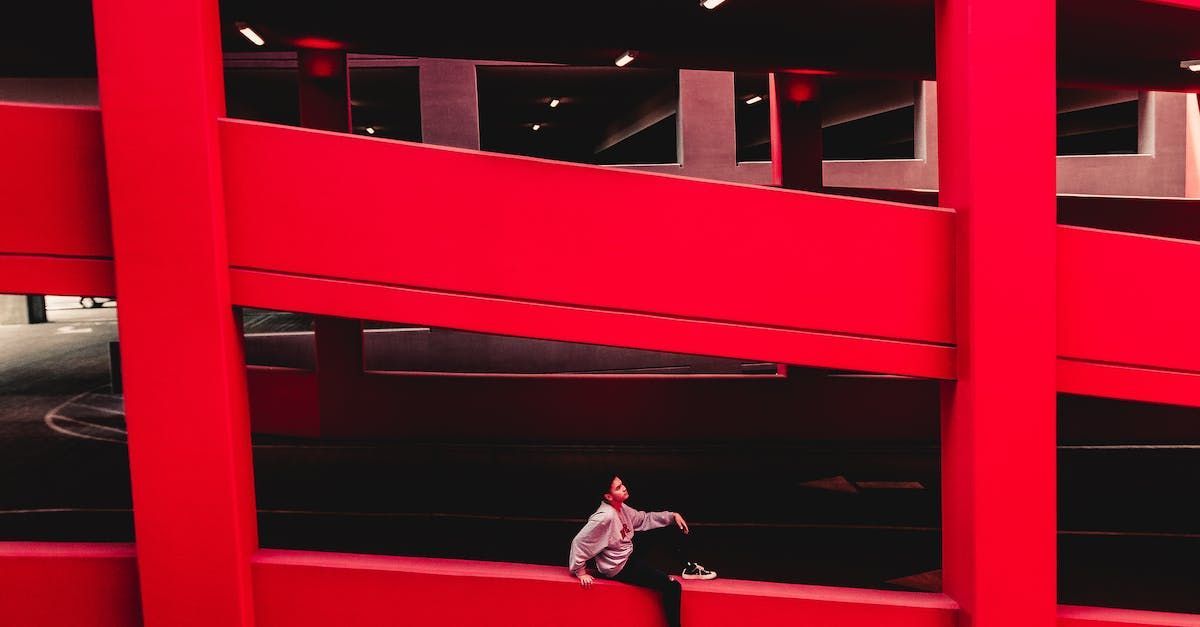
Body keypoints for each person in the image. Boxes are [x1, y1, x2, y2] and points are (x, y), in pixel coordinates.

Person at [568, 474, 717, 627]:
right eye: (618, 488)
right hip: (620, 567)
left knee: (666, 528)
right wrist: (580, 571)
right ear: (608, 496)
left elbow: (643, 519)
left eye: (622, 484)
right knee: (672, 586)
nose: (624, 488)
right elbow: (579, 542)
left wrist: (672, 516)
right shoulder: (604, 517)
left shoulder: (620, 507)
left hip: (628, 552)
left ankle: (689, 568)